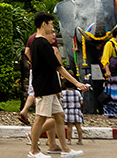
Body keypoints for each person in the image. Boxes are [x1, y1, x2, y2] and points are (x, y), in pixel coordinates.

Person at [28, 12, 89, 158]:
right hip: (45, 86)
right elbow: (58, 67)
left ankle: (65, 149)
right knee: (40, 118)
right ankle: (34, 150)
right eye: (51, 24)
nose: (52, 28)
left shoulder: (39, 42)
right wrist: (77, 83)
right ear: (44, 24)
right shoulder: (41, 43)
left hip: (49, 86)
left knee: (60, 116)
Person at [60, 78, 85, 145]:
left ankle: (69, 140)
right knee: (78, 126)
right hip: (77, 110)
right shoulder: (77, 92)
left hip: (67, 110)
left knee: (69, 126)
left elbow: (61, 101)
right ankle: (80, 140)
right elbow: (81, 102)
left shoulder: (63, 93)